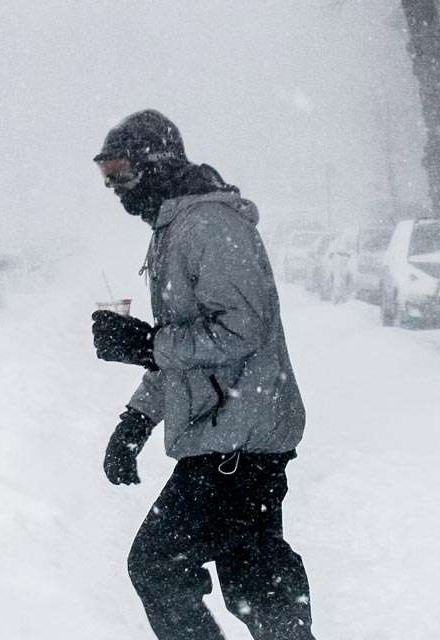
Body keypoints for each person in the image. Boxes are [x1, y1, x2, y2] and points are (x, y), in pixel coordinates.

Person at [90, 110, 315, 640]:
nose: (115, 190)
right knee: (254, 579)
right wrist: (136, 421)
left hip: (237, 440)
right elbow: (186, 346)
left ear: (157, 166)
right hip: (231, 434)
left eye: (122, 174)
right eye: (107, 177)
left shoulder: (209, 225)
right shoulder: (176, 228)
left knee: (157, 564)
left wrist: (147, 342)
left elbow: (242, 329)